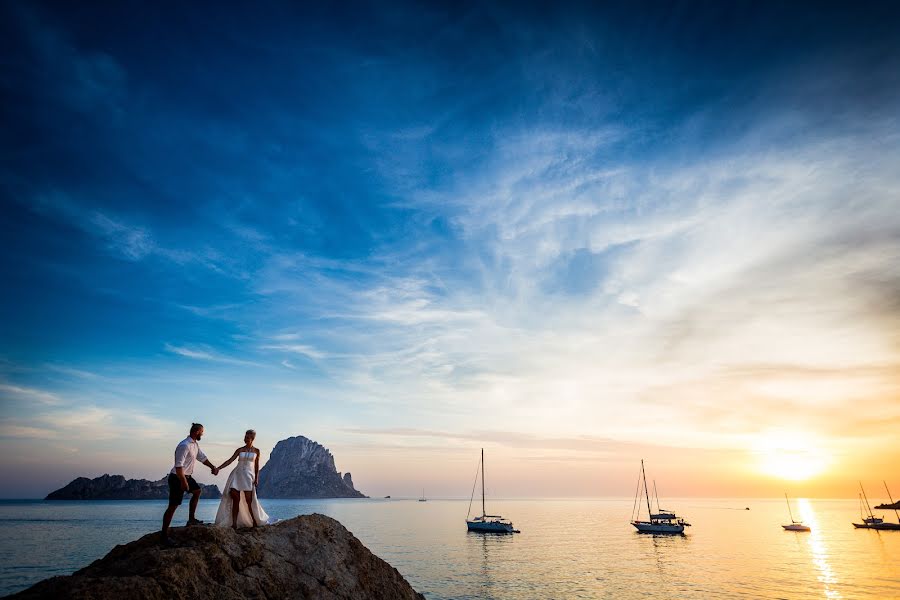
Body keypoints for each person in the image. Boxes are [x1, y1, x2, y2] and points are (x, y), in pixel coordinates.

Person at [161, 423, 219, 545]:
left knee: (197, 491)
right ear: (197, 431)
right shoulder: (184, 445)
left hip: (187, 476)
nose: (203, 434)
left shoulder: (194, 444)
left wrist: (212, 467)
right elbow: (178, 466)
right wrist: (183, 482)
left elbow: (202, 458)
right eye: (202, 432)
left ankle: (191, 519)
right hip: (177, 477)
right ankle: (164, 536)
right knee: (173, 506)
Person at [214, 429, 270, 529]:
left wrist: (256, 478)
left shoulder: (257, 451)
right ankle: (234, 524)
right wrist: (219, 468)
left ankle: (254, 521)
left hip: (248, 476)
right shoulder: (239, 450)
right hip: (236, 475)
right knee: (235, 500)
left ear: (252, 439)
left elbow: (256, 466)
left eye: (248, 437)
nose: (245, 439)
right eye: (245, 437)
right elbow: (230, 461)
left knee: (249, 501)